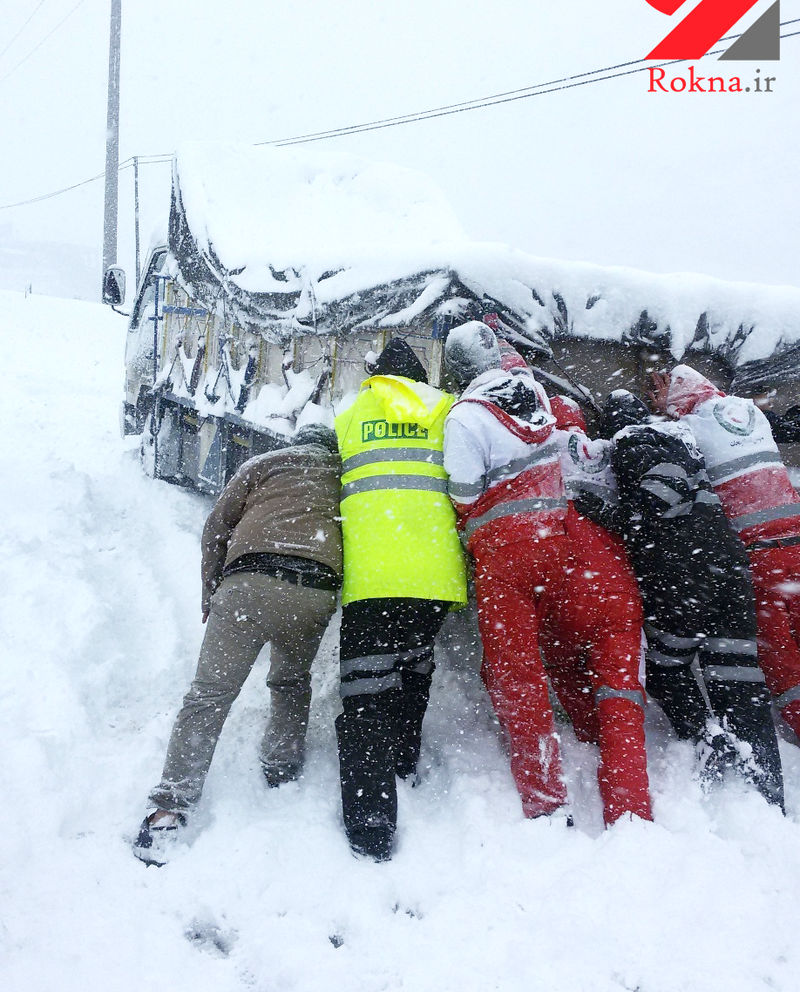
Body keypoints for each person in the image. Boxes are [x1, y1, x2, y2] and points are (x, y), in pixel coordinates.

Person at [442, 321, 651, 826]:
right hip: (557, 544)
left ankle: (546, 799)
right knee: (561, 654)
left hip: (505, 556)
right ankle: (612, 777)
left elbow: (465, 494)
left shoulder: (466, 417)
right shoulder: (535, 394)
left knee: (519, 672)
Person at [132, 424, 343, 865]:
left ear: (297, 443)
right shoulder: (344, 477)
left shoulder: (261, 464)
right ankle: (282, 765)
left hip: (248, 585)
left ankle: (170, 807)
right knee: (290, 682)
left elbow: (215, 530)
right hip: (313, 590)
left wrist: (211, 590)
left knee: (209, 695)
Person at [595, 389, 784, 808]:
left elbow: (656, 500)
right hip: (728, 565)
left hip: (681, 577)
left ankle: (705, 735)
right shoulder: (683, 437)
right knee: (738, 678)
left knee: (667, 668)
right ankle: (767, 788)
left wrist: (604, 513)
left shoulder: (630, 441)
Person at [334, 337, 467, 861]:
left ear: (376, 375)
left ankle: (371, 827)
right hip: (435, 579)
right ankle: (404, 759)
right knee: (413, 664)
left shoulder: (349, 414)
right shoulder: (447, 411)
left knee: (364, 692)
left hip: (374, 578)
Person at [651, 364, 800, 744]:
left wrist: (660, 411)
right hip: (796, 543)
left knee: (780, 659)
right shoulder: (749, 414)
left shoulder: (690, 432)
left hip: (758, 558)